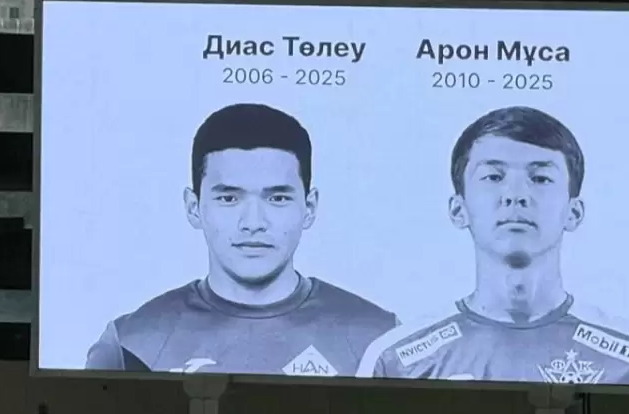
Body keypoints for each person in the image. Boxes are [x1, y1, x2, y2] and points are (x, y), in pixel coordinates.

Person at [360, 106, 629, 383]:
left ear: (574, 212)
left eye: (541, 178)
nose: (516, 195)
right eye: (494, 177)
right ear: (458, 209)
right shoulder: (396, 361)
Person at [87, 103, 397, 374]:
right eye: (229, 198)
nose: (253, 223)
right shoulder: (131, 344)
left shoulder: (378, 339)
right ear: (193, 207)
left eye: (277, 198)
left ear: (310, 208)